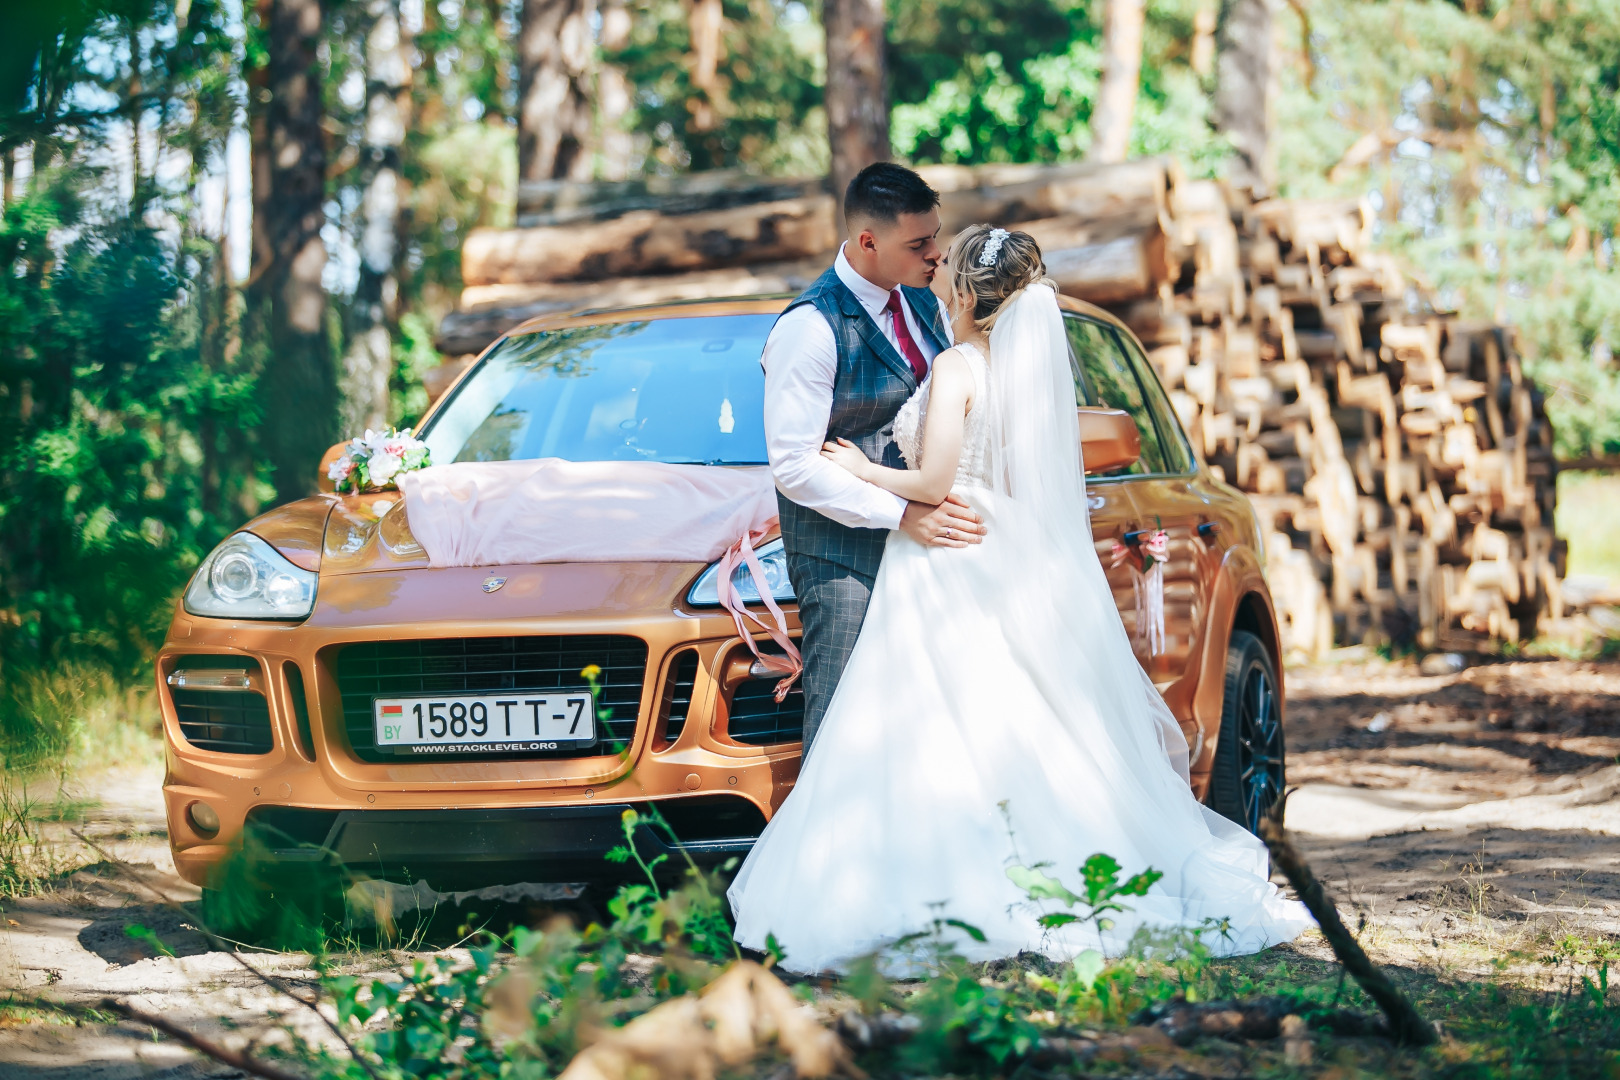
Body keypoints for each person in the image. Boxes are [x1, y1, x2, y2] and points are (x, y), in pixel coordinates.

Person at [729, 225, 1314, 974]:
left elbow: (936, 485)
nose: (937, 287)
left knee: (931, 727)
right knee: (1009, 727)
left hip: (943, 555)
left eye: (948, 278)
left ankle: (932, 887)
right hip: (1002, 553)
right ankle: (1028, 881)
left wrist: (860, 468)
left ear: (972, 295)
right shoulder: (1024, 375)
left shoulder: (954, 367)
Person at [761, 163, 987, 755]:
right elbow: (794, 466)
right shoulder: (810, 328)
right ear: (868, 242)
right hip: (845, 564)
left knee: (931, 735)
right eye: (919, 243)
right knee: (846, 735)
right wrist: (903, 514)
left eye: (936, 236)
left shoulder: (923, 304)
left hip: (933, 555)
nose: (937, 254)